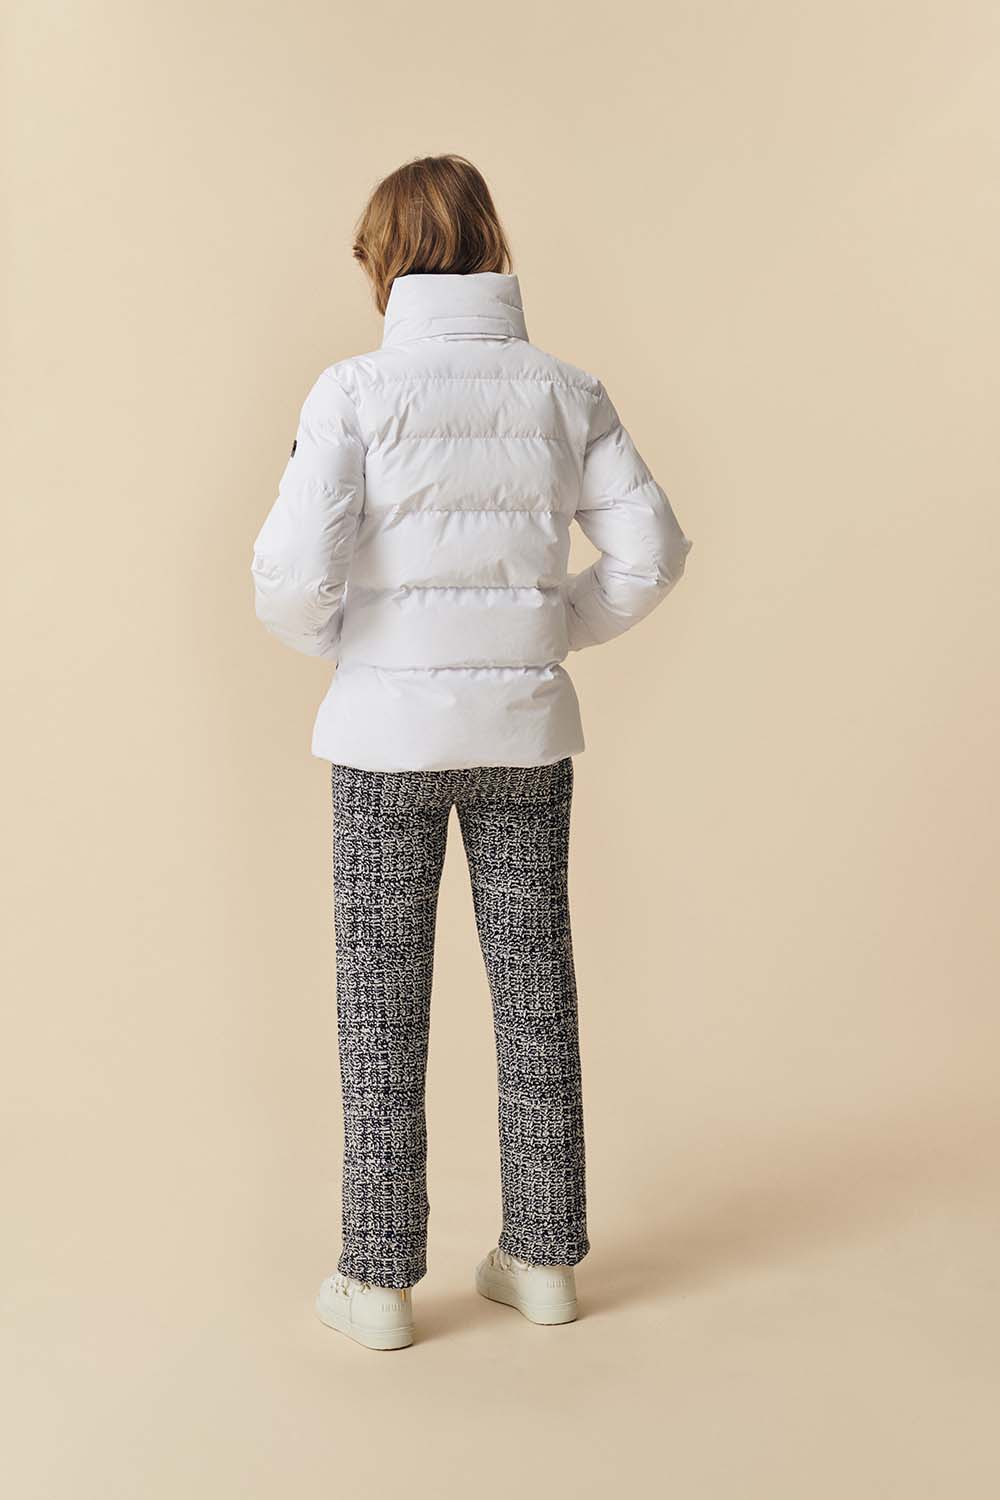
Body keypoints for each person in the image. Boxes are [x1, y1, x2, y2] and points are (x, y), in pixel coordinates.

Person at [250, 154, 693, 1351]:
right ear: (491, 244)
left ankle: (380, 1284)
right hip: (522, 733)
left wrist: (356, 648)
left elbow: (288, 580)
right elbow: (652, 553)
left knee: (378, 1009)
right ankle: (543, 1262)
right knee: (535, 988)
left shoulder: (350, 391)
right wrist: (548, 631)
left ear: (385, 259)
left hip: (383, 739)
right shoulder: (565, 389)